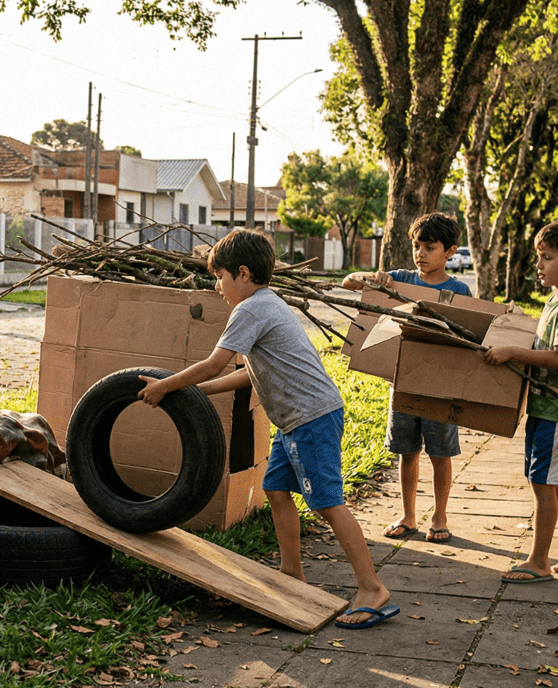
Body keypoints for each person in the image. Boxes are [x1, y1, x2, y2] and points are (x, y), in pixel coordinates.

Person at [140, 229, 397, 629]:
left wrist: (166, 385)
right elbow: (248, 376)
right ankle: (292, 571)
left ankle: (371, 588)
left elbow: (214, 363)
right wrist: (198, 394)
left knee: (327, 501)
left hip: (310, 418)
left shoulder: (250, 310)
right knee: (275, 490)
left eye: (220, 276)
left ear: (242, 273)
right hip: (298, 420)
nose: (217, 286)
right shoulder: (266, 304)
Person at [485, 219, 558, 583]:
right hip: (548, 407)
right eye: (538, 256)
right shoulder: (557, 300)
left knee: (543, 484)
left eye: (547, 257)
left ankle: (539, 561)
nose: (538, 264)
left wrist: (512, 350)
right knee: (547, 481)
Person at [343, 213, 470, 544]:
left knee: (440, 453)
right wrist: (373, 275)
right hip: (402, 381)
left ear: (450, 251)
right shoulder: (398, 279)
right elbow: (349, 282)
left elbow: (469, 335)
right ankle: (408, 514)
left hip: (440, 386)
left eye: (430, 247)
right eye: (417, 246)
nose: (421, 253)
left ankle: (440, 516)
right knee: (407, 451)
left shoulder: (459, 289)